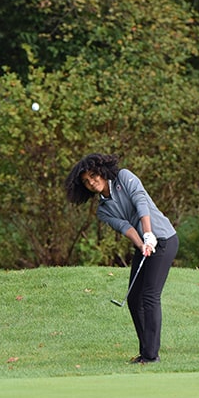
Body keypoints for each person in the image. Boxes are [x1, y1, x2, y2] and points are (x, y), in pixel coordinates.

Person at [65, 154, 178, 364]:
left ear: (101, 171)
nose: (91, 182)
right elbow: (125, 228)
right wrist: (142, 243)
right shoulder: (103, 210)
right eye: (86, 182)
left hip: (163, 239)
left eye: (93, 176)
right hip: (146, 243)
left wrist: (148, 233)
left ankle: (151, 356)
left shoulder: (124, 177)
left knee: (150, 296)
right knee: (134, 298)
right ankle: (146, 352)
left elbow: (140, 201)